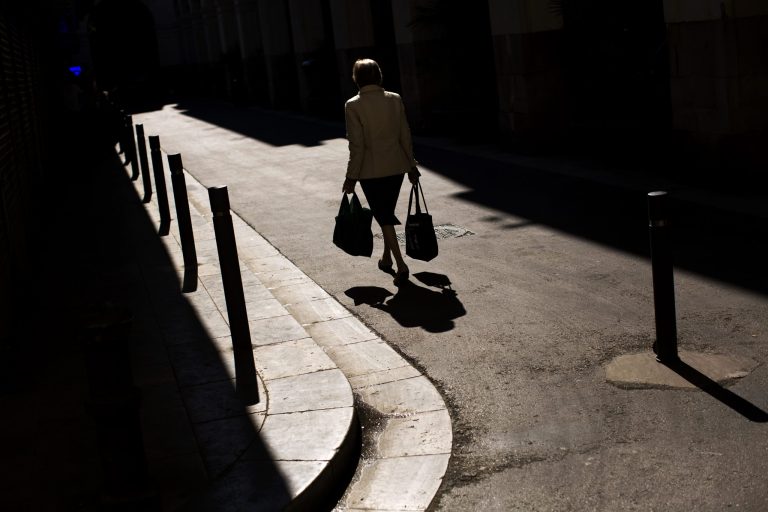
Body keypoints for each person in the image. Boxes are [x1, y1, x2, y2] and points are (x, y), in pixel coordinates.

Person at [342, 58, 420, 285]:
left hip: (370, 171)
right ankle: (386, 257)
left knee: (383, 214)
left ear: (356, 78)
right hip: (396, 167)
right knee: (385, 212)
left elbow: (357, 145)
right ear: (378, 75)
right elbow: (404, 134)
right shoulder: (394, 100)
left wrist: (351, 176)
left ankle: (401, 264)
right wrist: (411, 165)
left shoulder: (353, 105)